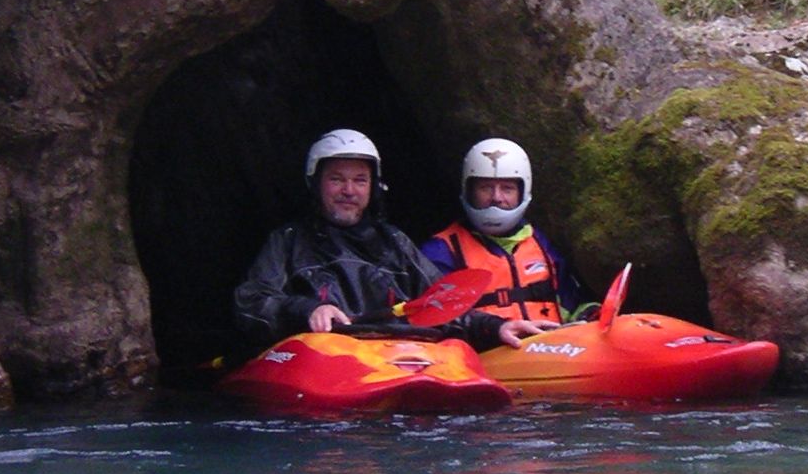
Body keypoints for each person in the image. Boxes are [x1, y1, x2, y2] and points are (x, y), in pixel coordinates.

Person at [233, 129, 553, 350]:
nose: (349, 190)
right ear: (316, 184)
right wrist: (306, 309)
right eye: (337, 179)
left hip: (392, 356)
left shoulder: (393, 243)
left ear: (373, 187)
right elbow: (250, 303)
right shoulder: (287, 241)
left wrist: (493, 327)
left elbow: (440, 302)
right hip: (324, 356)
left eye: (360, 180)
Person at [422, 137, 595, 324]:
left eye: (507, 188)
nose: (496, 197)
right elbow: (435, 319)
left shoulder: (539, 243)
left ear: (522, 193)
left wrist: (591, 313)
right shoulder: (441, 251)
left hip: (550, 347)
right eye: (485, 188)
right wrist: (493, 330)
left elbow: (573, 303)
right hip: (485, 350)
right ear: (469, 191)